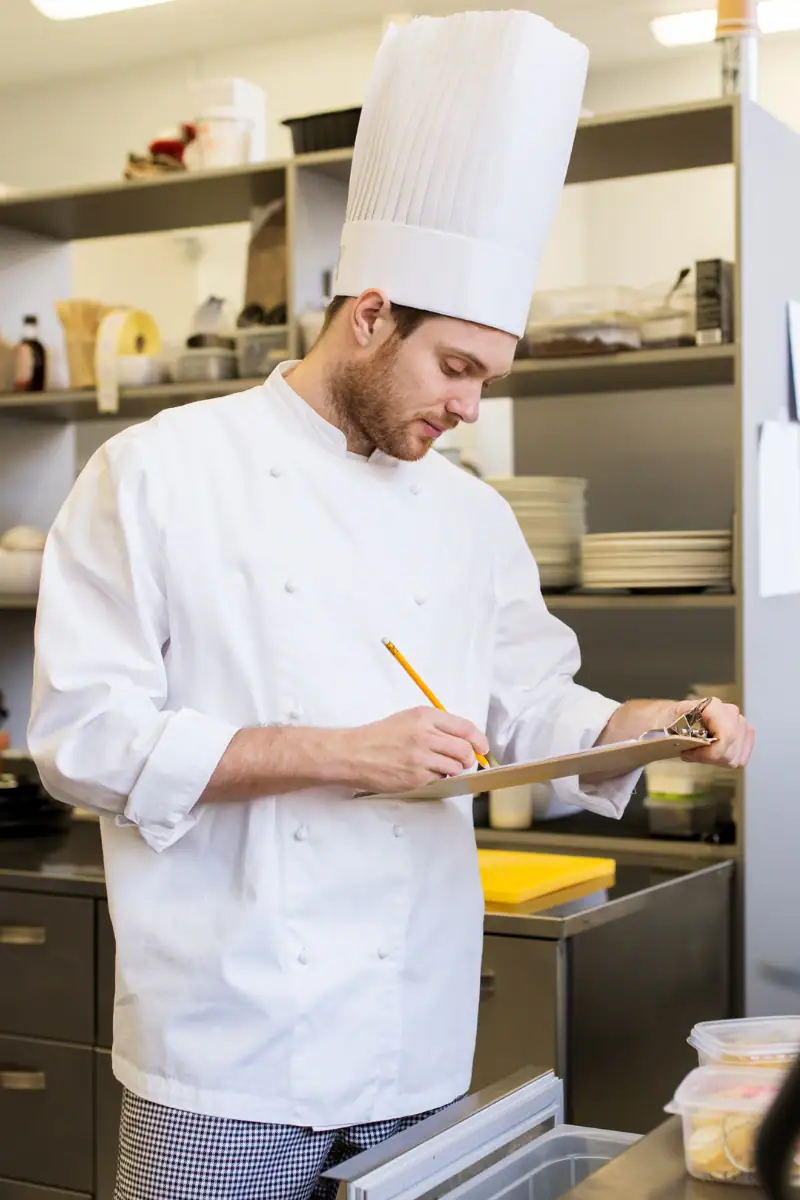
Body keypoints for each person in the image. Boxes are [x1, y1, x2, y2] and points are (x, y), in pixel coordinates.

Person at [28, 11, 753, 1200]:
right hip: (226, 1047)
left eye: (488, 378)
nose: (469, 409)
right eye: (454, 368)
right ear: (369, 316)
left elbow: (529, 706)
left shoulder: (468, 516)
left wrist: (650, 728)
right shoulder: (158, 472)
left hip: (413, 1034)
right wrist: (336, 752)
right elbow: (84, 740)